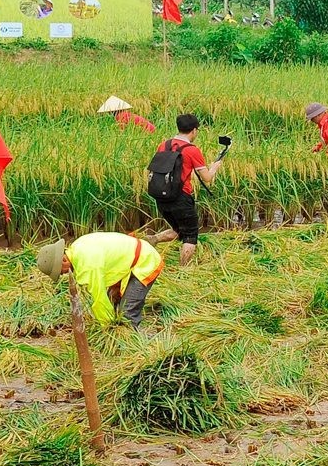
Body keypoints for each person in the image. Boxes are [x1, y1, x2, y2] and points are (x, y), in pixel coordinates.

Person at [36, 233, 165, 328]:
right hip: (129, 260)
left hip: (145, 261)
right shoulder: (76, 248)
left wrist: (108, 326)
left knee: (127, 314)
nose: (62, 273)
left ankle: (134, 349)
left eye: (59, 270)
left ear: (63, 260)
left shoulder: (87, 265)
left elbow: (99, 298)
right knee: (114, 301)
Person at [146, 114, 227, 265]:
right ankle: (184, 269)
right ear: (194, 130)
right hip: (180, 197)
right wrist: (214, 167)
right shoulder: (192, 150)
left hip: (161, 196)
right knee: (190, 234)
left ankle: (154, 239)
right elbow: (207, 178)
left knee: (179, 229)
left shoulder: (164, 145)